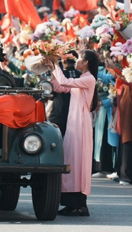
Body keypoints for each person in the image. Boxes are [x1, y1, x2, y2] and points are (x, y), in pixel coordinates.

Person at [44, 50, 98, 217]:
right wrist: (52, 69)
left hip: (80, 123)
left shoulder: (88, 79)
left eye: (80, 59)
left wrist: (56, 64)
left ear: (87, 62)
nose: (77, 61)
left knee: (78, 161)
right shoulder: (83, 79)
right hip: (74, 122)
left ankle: (79, 204)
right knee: (71, 160)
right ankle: (70, 202)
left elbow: (64, 81)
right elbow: (60, 87)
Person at [48, 51, 81, 137]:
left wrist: (53, 69)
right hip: (76, 114)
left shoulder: (60, 75)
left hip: (59, 113)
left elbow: (52, 90)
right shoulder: (81, 75)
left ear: (63, 60)